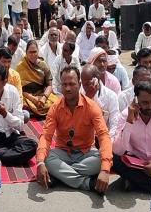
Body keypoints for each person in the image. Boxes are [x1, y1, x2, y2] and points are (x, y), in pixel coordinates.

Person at [36, 66, 112, 194]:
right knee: (46, 158)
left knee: (102, 161)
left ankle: (60, 176)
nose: (68, 88)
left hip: (87, 153)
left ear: (79, 84)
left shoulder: (92, 107)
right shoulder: (55, 108)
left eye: (72, 84)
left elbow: (103, 136)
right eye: (64, 84)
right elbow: (46, 136)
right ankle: (87, 183)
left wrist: (104, 171)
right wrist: (40, 163)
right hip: (63, 152)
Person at [16, 40, 57, 117]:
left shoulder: (43, 65)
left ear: (38, 52)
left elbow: (49, 85)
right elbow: (19, 88)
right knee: (22, 105)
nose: (33, 54)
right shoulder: (20, 66)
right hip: (26, 96)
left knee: (57, 102)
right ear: (26, 52)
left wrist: (44, 98)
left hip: (41, 95)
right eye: (30, 52)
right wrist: (33, 99)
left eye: (35, 52)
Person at [80, 64, 120, 138]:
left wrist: (107, 142)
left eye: (87, 83)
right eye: (83, 84)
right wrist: (88, 97)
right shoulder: (79, 93)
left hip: (103, 137)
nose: (84, 87)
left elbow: (114, 124)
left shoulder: (111, 96)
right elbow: (77, 120)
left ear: (97, 80)